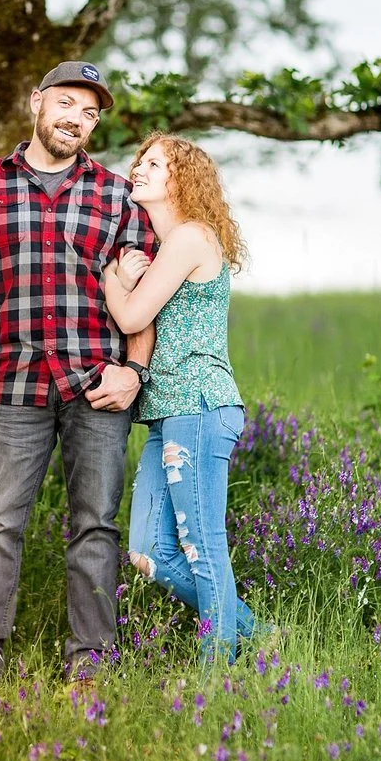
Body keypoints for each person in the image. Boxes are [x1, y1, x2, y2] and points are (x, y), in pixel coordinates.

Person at [0, 61, 158, 694]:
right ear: (36, 103)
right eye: (65, 104)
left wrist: (134, 370)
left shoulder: (116, 195)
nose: (75, 121)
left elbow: (148, 293)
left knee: (96, 526)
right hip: (16, 389)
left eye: (89, 114)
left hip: (99, 387)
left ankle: (90, 671)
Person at [101, 134, 256, 660]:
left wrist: (110, 278)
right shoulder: (169, 246)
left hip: (200, 404)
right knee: (150, 553)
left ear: (181, 180)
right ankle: (262, 637)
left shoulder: (190, 237)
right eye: (138, 160)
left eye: (153, 164)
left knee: (202, 544)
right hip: (169, 414)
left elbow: (130, 317)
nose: (138, 169)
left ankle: (217, 674)